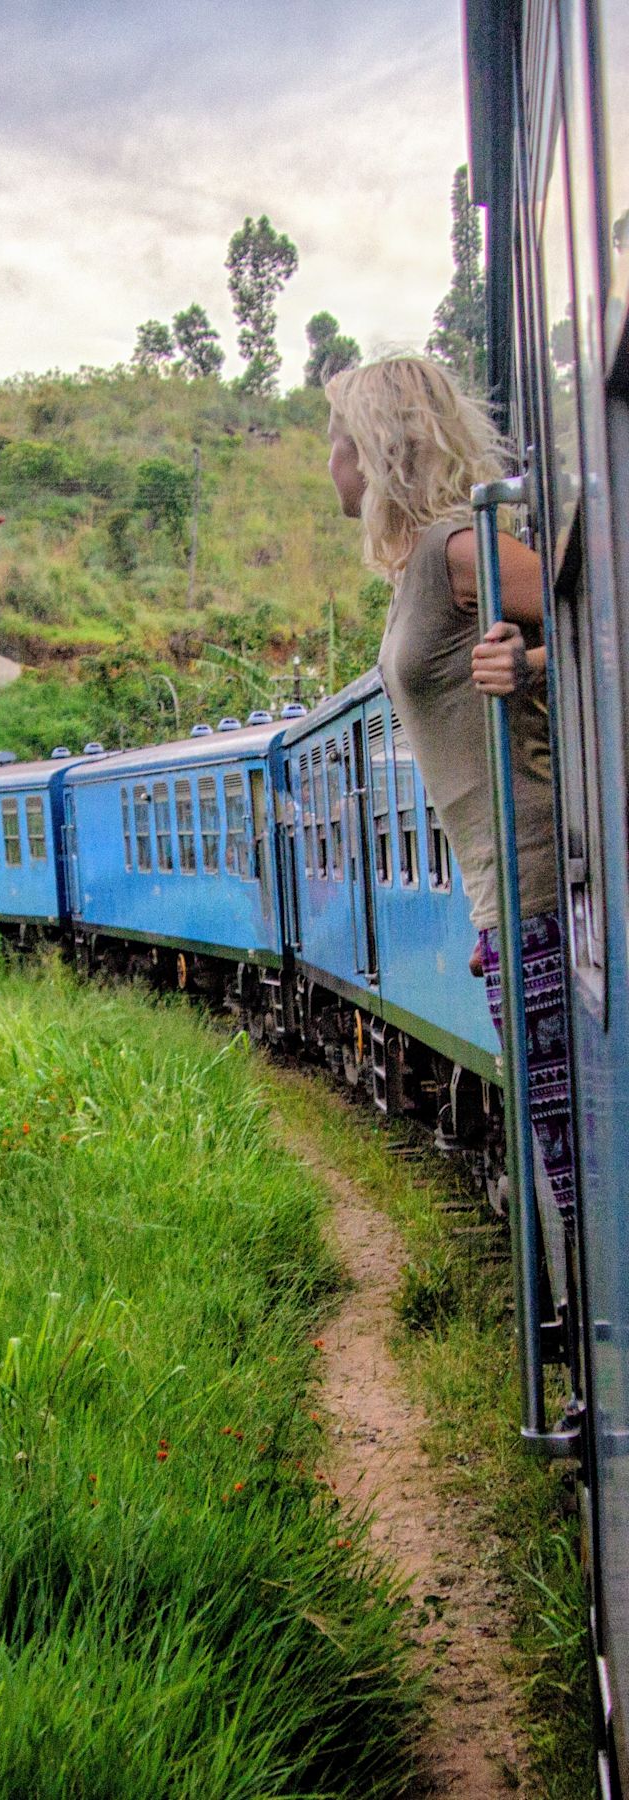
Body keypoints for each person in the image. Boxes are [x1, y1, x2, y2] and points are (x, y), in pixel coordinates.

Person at [323, 354, 574, 1229]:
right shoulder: (418, 571)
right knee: (561, 1147)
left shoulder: (456, 550)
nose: (331, 463)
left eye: (339, 441)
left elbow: (605, 606)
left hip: (538, 882)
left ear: (380, 448)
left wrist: (532, 661)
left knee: (574, 1161)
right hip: (506, 897)